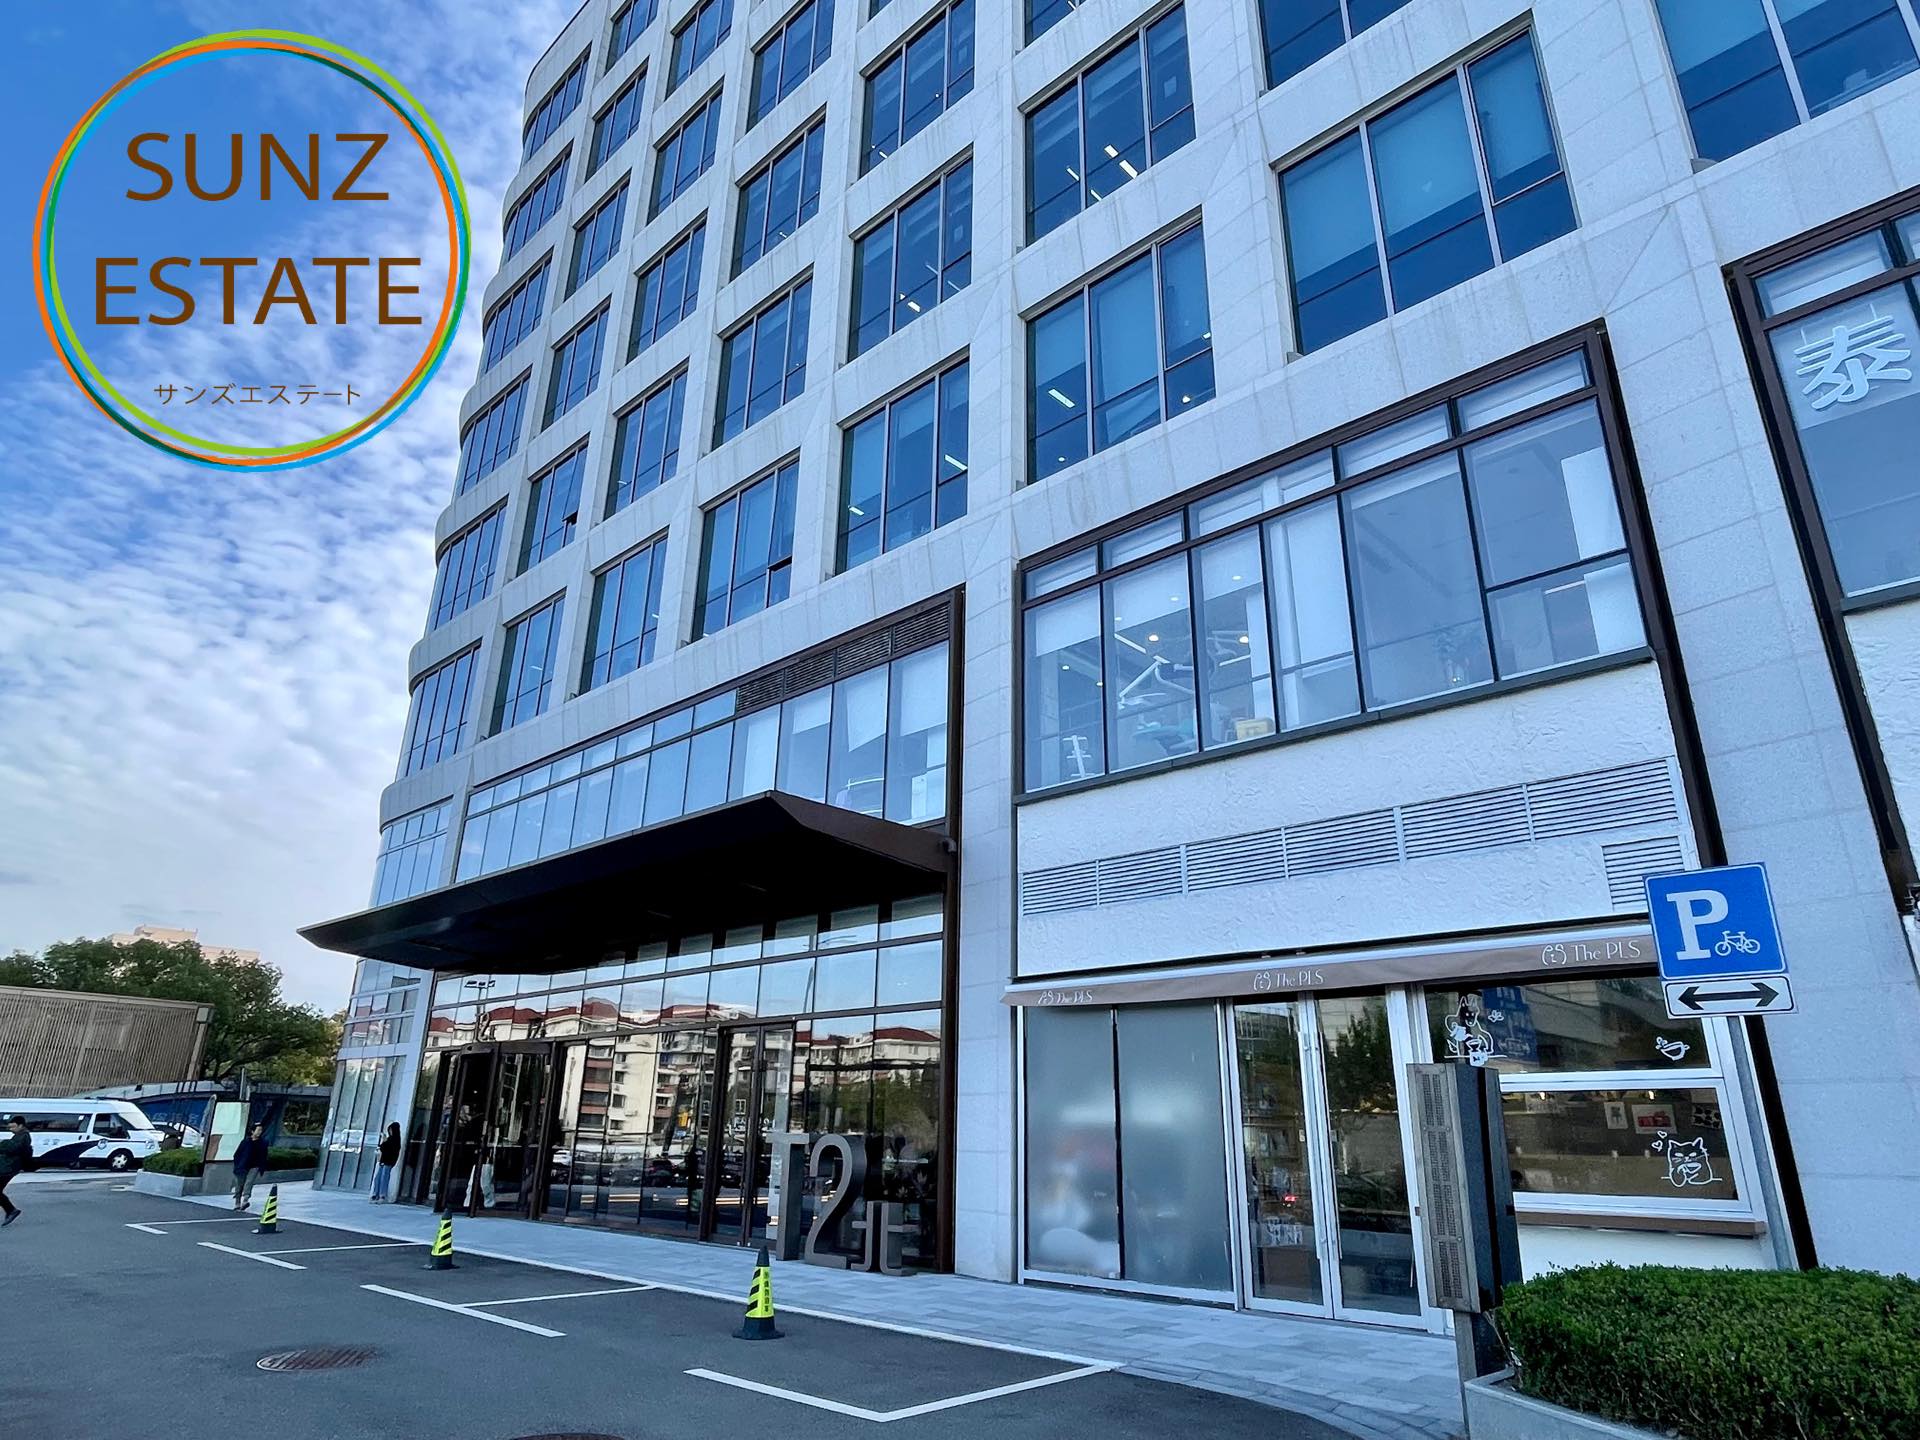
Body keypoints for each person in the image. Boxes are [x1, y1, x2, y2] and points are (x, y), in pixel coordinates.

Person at [0, 1115, 31, 1226]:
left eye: (13, 1127)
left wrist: (3, 1143)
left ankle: (11, 1210)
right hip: (7, 1167)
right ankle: (10, 1210)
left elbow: (13, 1148)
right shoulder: (19, 1135)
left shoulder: (23, 1136)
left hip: (9, 1168)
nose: (11, 1129)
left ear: (20, 1125)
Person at [230, 1124, 269, 1211]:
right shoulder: (245, 1142)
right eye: (258, 1130)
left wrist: (262, 1167)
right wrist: (237, 1165)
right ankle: (237, 1202)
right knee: (239, 1184)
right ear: (252, 1131)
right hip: (242, 1166)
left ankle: (245, 1200)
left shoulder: (263, 1143)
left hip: (255, 1166)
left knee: (249, 1182)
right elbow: (237, 1154)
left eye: (261, 1130)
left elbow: (264, 1155)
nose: (259, 1132)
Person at [371, 1122, 402, 1203]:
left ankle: (382, 1195)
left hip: (389, 1161)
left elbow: (389, 1149)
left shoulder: (395, 1140)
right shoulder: (389, 1139)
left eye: (391, 1130)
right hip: (383, 1160)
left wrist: (384, 1142)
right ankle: (375, 1194)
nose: (390, 1132)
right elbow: (382, 1147)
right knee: (378, 1177)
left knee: (384, 1178)